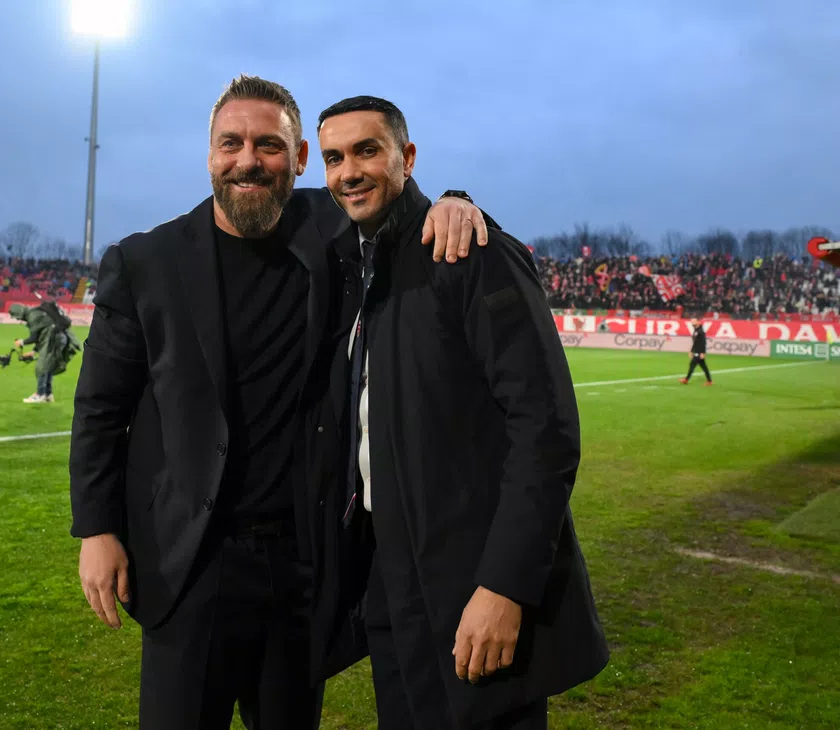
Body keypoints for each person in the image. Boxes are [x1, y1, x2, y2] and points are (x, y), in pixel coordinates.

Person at [69, 75, 489, 730]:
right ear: (210, 154)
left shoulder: (332, 229)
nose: (248, 161)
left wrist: (455, 201)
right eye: (231, 143)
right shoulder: (145, 262)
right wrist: (97, 530)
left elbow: (398, 199)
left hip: (302, 566)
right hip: (192, 563)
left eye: (268, 145)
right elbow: (99, 408)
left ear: (298, 160)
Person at [314, 96, 608, 730]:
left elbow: (546, 430)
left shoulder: (473, 252)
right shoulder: (355, 265)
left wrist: (506, 586)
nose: (349, 172)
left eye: (367, 151)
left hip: (472, 580)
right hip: (391, 578)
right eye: (334, 158)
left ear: (407, 157)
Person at [10, 301, 81, 403]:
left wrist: (22, 342)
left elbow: (34, 337)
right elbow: (42, 335)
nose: (18, 319)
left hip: (54, 340)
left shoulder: (33, 316)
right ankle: (48, 395)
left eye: (17, 317)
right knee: (48, 367)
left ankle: (40, 394)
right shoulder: (36, 313)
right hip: (58, 339)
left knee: (42, 368)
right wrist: (34, 351)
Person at [680, 318, 712, 385]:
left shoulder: (701, 331)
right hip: (696, 351)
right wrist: (691, 351)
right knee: (704, 367)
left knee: (692, 364)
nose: (692, 322)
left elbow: (703, 343)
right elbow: (695, 342)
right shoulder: (696, 330)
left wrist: (703, 352)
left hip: (699, 352)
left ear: (698, 322)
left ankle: (686, 379)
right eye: (691, 321)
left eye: (694, 321)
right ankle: (709, 381)